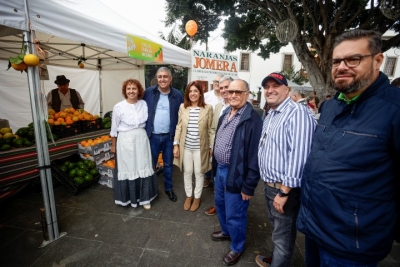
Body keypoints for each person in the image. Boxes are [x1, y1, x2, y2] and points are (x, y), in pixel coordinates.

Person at [297, 29, 400, 266]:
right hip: (315, 229)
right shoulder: (331, 106)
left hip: (351, 245)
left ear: (377, 60)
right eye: (336, 61)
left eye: (353, 59)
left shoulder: (394, 110)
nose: (342, 66)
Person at [255, 72, 316, 267]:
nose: (270, 90)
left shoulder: (297, 113)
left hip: (284, 189)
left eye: (275, 86)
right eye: (267, 87)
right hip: (271, 185)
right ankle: (278, 258)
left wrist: (284, 191)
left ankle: (279, 262)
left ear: (287, 89)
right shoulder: (273, 112)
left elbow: (300, 156)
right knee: (279, 231)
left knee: (283, 235)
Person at [211, 79, 262, 266]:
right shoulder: (226, 112)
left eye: (238, 92)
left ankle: (237, 247)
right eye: (230, 91)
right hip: (221, 170)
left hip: (236, 173)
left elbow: (255, 156)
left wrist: (248, 186)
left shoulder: (252, 118)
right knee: (220, 204)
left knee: (236, 213)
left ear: (247, 94)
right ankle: (226, 232)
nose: (232, 95)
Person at [109, 79, 158, 210]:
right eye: (128, 89)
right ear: (125, 91)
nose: (131, 91)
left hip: (141, 139)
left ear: (139, 90)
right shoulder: (118, 107)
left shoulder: (144, 104)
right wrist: (113, 146)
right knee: (129, 168)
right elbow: (114, 130)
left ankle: (145, 199)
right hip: (125, 141)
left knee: (143, 166)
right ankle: (130, 198)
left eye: (134, 88)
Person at [143, 67, 183, 202]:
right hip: (152, 136)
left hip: (169, 137)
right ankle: (150, 189)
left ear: (170, 79)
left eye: (165, 76)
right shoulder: (148, 93)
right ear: (156, 78)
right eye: (160, 77)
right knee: (151, 164)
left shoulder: (177, 95)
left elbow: (182, 115)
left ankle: (169, 189)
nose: (162, 79)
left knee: (168, 165)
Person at [173, 81, 213, 212]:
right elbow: (178, 127)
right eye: (190, 91)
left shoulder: (208, 108)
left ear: (200, 93)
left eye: (196, 91)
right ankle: (188, 196)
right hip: (186, 147)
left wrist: (211, 146)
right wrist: (176, 145)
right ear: (187, 93)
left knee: (199, 172)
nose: (193, 94)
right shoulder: (182, 107)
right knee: (187, 172)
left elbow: (211, 129)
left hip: (201, 147)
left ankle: (197, 197)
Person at [204, 75, 233, 216]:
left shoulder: (242, 107)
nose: (223, 90)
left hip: (232, 157)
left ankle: (229, 209)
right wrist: (211, 147)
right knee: (217, 182)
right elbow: (213, 129)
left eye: (226, 87)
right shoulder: (219, 106)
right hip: (216, 153)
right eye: (221, 88)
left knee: (231, 186)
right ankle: (218, 205)